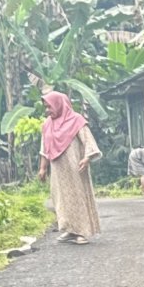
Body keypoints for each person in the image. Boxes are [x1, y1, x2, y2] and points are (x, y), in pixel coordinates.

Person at [39, 90, 101, 244]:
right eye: (46, 107)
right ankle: (69, 230)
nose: (47, 111)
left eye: (49, 107)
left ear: (59, 105)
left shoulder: (76, 120)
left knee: (77, 197)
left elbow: (88, 140)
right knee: (61, 199)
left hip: (75, 167)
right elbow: (44, 148)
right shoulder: (47, 124)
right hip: (58, 170)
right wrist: (42, 168)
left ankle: (82, 232)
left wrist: (87, 158)